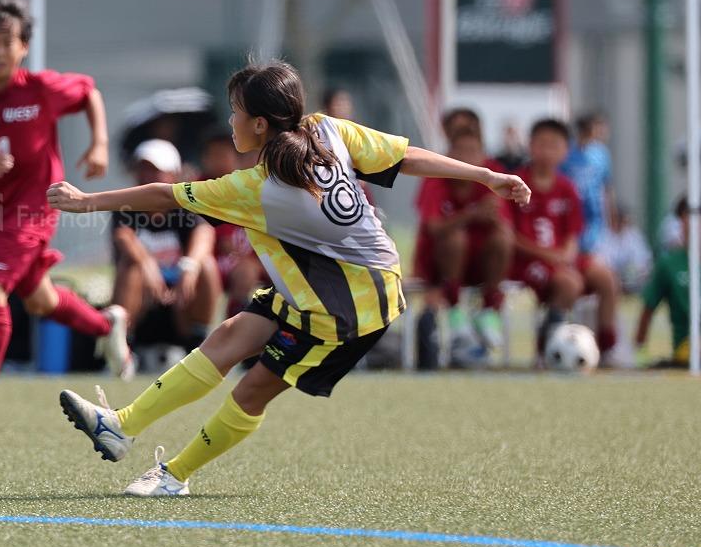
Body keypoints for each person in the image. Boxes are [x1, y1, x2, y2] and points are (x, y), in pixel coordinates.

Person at [49, 62, 529, 496]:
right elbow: (404, 157)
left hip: (348, 309)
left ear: (260, 124)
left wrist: (88, 201)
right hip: (336, 285)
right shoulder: (326, 129)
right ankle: (120, 426)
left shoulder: (255, 187)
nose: (230, 121)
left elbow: (163, 195)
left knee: (251, 390)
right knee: (230, 335)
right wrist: (484, 175)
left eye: (236, 112)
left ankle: (174, 475)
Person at [0, 0, 129, 423]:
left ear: (23, 48)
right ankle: (106, 325)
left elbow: (88, 91)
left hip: (36, 208)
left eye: (8, 42)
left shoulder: (40, 88)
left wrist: (99, 143)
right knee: (39, 300)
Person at [510, 119, 621, 362]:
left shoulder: (567, 187)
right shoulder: (515, 184)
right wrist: (550, 255)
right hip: (527, 261)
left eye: (554, 145)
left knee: (606, 278)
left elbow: (573, 233)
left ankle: (607, 348)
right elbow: (509, 235)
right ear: (530, 146)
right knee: (569, 283)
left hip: (560, 258)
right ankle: (547, 348)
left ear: (564, 151)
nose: (547, 152)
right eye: (542, 144)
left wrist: (567, 253)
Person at [110, 139, 220, 370]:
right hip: (143, 304)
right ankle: (123, 348)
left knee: (206, 265)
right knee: (132, 266)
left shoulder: (186, 206)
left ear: (173, 175)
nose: (147, 176)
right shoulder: (126, 205)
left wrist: (189, 267)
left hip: (181, 306)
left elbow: (205, 233)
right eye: (143, 169)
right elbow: (124, 237)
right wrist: (146, 264)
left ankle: (197, 345)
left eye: (155, 170)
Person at [412, 127, 513, 352]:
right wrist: (472, 214)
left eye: (473, 150)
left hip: (480, 265)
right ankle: (454, 311)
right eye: (461, 150)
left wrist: (494, 216)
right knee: (455, 238)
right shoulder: (436, 177)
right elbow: (433, 227)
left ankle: (489, 310)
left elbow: (507, 230)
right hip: (439, 265)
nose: (467, 156)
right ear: (449, 153)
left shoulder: (493, 177)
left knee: (502, 240)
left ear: (483, 155)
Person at [199, 127, 269, 316]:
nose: (219, 160)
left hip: (251, 260)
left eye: (224, 154)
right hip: (218, 263)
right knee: (246, 270)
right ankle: (235, 318)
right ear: (204, 159)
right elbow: (225, 244)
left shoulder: (246, 187)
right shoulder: (200, 187)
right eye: (213, 155)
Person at [635, 196, 692, 367]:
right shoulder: (669, 265)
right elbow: (648, 309)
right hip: (686, 352)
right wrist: (639, 352)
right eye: (686, 216)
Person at [561, 112, 613, 256]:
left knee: (592, 250)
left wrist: (611, 213)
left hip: (594, 211)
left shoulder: (601, 153)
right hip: (572, 208)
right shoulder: (567, 152)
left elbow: (607, 185)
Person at [598, 202, 653, 294]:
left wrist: (634, 275)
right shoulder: (602, 235)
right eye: (617, 218)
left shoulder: (634, 235)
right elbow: (602, 263)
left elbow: (644, 263)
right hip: (609, 282)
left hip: (634, 284)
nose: (620, 222)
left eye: (622, 219)